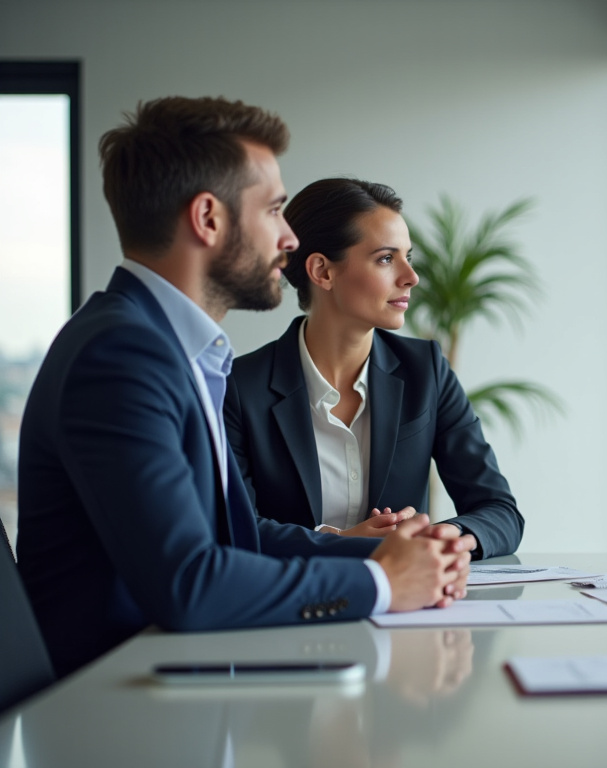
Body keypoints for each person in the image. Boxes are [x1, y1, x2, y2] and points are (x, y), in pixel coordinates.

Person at [17, 97, 473, 678]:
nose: (289, 239)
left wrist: (403, 555)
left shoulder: (173, 349)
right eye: (275, 211)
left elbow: (238, 536)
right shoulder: (121, 356)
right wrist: (381, 582)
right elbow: (191, 583)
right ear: (208, 219)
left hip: (176, 680)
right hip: (122, 709)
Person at [223, 177, 523, 558]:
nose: (411, 277)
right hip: (294, 605)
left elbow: (500, 512)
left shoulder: (426, 372)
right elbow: (235, 529)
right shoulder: (239, 387)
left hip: (407, 608)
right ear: (322, 271)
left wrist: (440, 539)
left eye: (407, 257)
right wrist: (340, 545)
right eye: (386, 258)